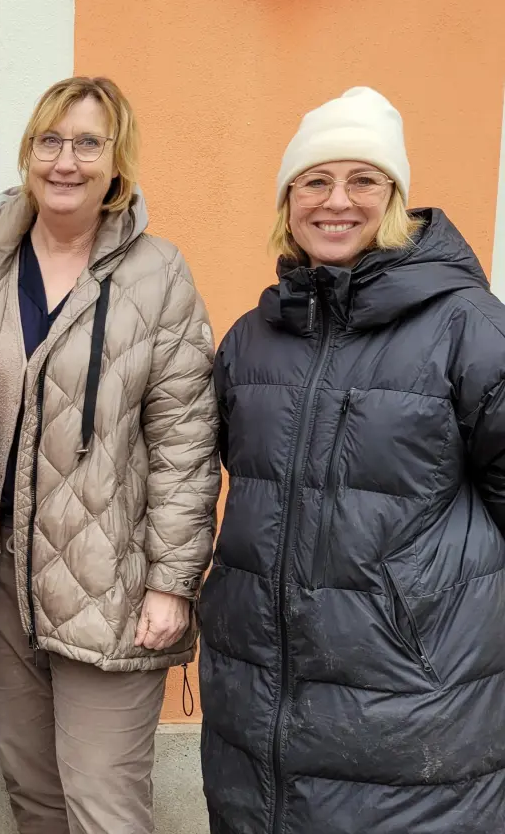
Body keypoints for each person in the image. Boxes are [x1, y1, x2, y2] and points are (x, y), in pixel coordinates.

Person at [200, 86, 505, 834]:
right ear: (288, 201)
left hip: (411, 714)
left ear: (395, 198)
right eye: (315, 181)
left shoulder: (468, 329)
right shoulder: (252, 338)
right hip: (256, 705)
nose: (336, 201)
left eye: (363, 179)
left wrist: (421, 618)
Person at [0, 76, 220, 834]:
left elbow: (186, 442)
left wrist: (171, 583)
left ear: (116, 161)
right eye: (51, 141)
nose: (66, 161)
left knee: (104, 803)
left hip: (112, 583)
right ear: (28, 152)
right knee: (34, 796)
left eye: (89, 143)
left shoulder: (156, 274)